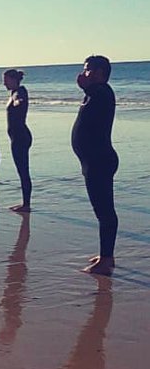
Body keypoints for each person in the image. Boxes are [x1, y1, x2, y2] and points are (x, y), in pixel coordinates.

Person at [72, 55, 118, 275]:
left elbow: (96, 96)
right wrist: (85, 88)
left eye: (88, 70)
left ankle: (107, 259)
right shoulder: (95, 93)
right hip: (92, 160)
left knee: (105, 212)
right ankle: (106, 254)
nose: (84, 73)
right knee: (101, 210)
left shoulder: (103, 92)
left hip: (100, 160)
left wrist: (85, 87)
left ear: (100, 72)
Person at [4, 69, 33, 213]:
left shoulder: (20, 92)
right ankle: (25, 202)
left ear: (13, 79)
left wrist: (18, 102)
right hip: (17, 136)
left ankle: (26, 204)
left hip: (21, 137)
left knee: (23, 171)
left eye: (6, 80)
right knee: (21, 170)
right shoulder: (14, 92)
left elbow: (19, 100)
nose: (4, 83)